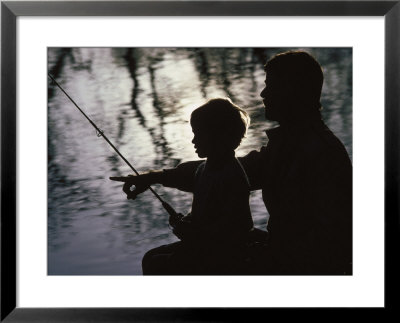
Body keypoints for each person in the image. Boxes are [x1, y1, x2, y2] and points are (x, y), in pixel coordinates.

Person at [112, 50, 353, 275]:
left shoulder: (320, 153)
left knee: (159, 264)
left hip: (301, 265)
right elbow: (216, 168)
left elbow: (327, 240)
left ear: (294, 90)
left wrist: (217, 240)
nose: (263, 94)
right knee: (159, 257)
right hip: (283, 250)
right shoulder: (288, 144)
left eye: (272, 86)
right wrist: (155, 177)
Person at [111, 98, 255, 275]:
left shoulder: (232, 175)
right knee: (151, 256)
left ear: (219, 136)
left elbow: (241, 226)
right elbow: (203, 211)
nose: (193, 140)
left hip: (222, 252)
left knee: (157, 264)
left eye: (199, 134)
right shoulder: (203, 170)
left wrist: (198, 234)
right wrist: (186, 222)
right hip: (204, 244)